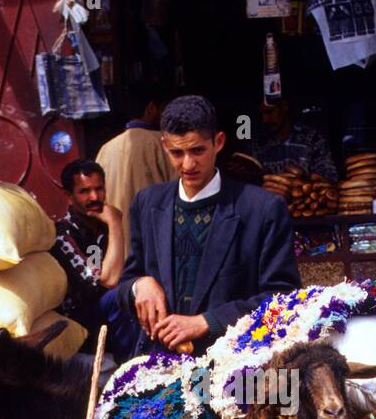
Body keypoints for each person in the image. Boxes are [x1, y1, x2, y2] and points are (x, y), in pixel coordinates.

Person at [115, 93, 301, 359]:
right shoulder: (147, 204)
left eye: (198, 150)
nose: (188, 164)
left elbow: (284, 298)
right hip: (159, 363)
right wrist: (139, 285)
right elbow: (124, 286)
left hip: (236, 364)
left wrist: (207, 321)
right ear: (164, 145)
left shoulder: (261, 209)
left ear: (219, 142)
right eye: (177, 153)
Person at [51, 160, 137, 360]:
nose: (94, 197)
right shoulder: (63, 234)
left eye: (99, 189)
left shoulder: (100, 228)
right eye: (84, 191)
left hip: (106, 314)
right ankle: (129, 366)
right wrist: (116, 223)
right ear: (69, 197)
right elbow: (109, 281)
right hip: (78, 320)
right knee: (119, 296)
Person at [96, 87, 176, 252]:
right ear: (151, 108)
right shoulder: (164, 144)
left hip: (119, 249)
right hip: (157, 247)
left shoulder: (106, 149)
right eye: (164, 108)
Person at [253, 97, 338, 182]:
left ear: (284, 106)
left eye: (269, 112)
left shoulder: (312, 138)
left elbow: (330, 177)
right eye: (262, 114)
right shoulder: (259, 144)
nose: (265, 120)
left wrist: (305, 179)